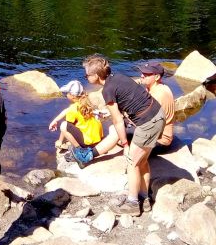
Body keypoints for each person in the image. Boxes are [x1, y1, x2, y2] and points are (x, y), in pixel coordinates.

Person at [78, 54, 165, 215]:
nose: (85, 77)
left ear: (96, 76)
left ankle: (132, 204)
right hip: (157, 115)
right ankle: (144, 198)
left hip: (148, 123)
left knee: (132, 162)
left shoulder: (107, 90)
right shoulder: (118, 77)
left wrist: (125, 144)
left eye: (86, 75)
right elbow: (129, 102)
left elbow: (118, 121)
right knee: (142, 161)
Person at [48, 79, 104, 154]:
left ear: (73, 96)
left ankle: (81, 151)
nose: (66, 95)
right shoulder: (85, 103)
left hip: (88, 143)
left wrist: (60, 141)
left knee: (63, 125)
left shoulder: (73, 109)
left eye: (67, 93)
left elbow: (66, 127)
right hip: (98, 139)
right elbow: (67, 110)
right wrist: (55, 120)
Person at [137, 61, 175, 149]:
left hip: (159, 141)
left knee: (118, 132)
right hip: (156, 134)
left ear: (157, 77)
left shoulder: (157, 96)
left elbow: (145, 122)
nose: (142, 76)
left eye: (146, 74)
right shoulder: (161, 87)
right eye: (142, 73)